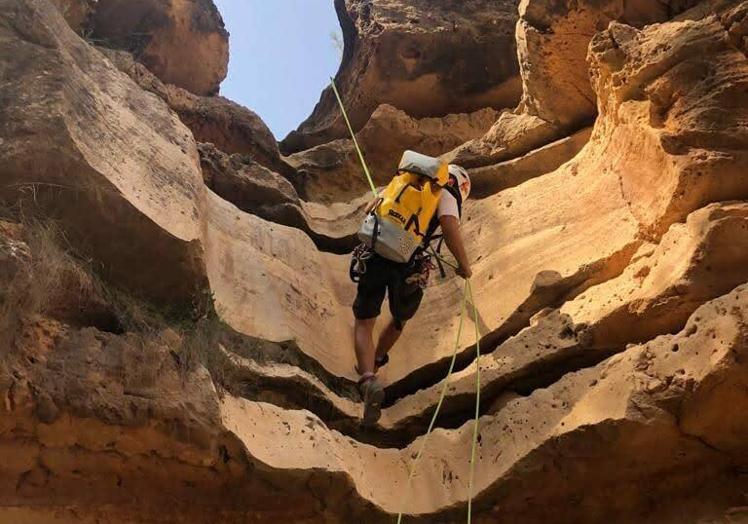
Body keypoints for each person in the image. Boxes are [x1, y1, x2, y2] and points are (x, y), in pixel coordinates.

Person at [352, 164, 473, 425]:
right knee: (399, 319)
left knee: (364, 321)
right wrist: (464, 265)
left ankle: (367, 378)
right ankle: (377, 360)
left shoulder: (404, 181)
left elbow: (368, 210)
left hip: (375, 252)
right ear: (461, 186)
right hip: (409, 262)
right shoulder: (446, 193)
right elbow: (449, 226)